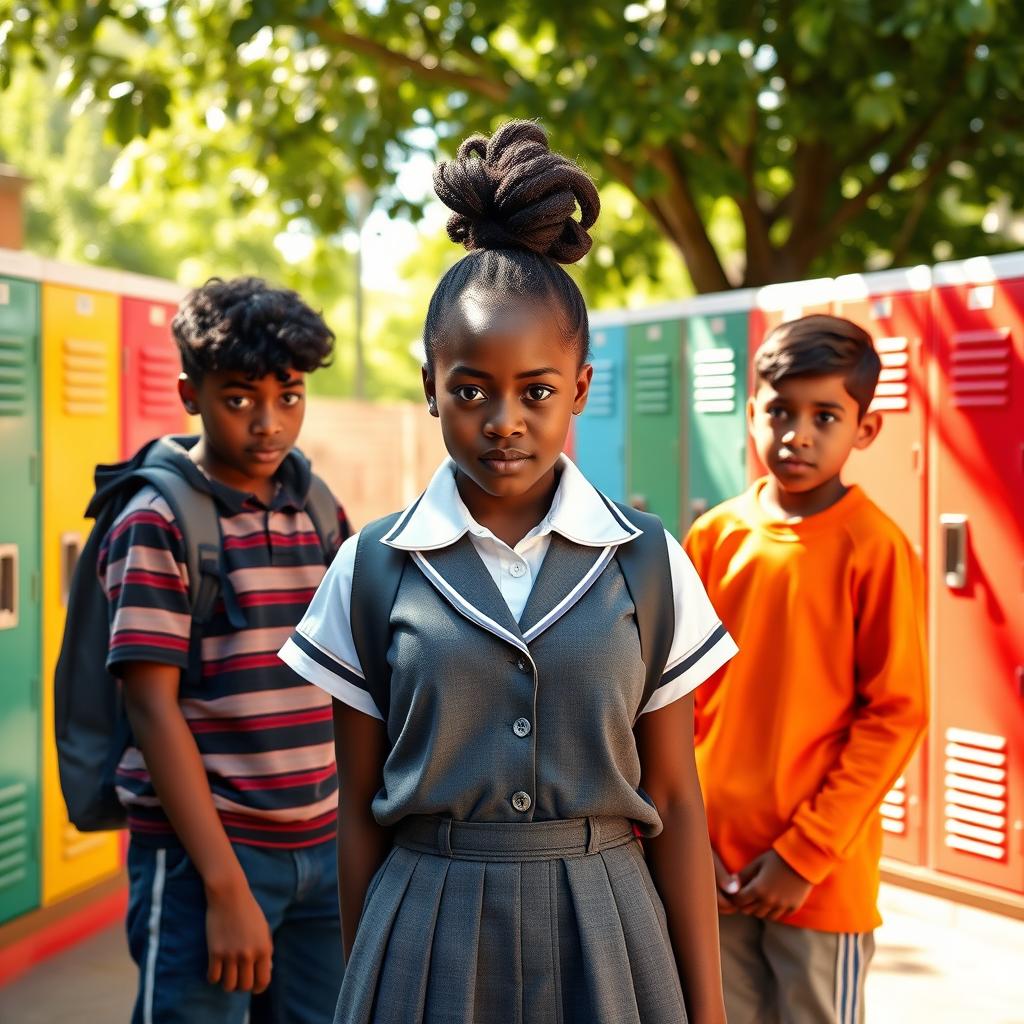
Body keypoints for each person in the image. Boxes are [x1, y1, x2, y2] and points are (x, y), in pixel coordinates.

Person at [279, 121, 737, 1024]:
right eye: (470, 389)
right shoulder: (372, 568)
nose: (503, 420)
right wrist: (366, 986)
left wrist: (708, 1012)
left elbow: (678, 803)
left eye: (536, 390)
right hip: (422, 934)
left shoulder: (646, 561)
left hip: (612, 934)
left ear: (581, 388)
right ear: (429, 387)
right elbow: (359, 816)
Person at [98, 277, 351, 1024]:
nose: (269, 423)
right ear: (190, 392)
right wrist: (224, 887)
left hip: (322, 850)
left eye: (291, 395)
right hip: (203, 859)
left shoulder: (319, 510)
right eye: (240, 398)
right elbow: (150, 706)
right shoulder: (158, 520)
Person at [684, 315, 929, 1024]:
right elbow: (671, 701)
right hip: (710, 869)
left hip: (817, 883)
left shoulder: (874, 548)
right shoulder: (715, 537)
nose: (797, 434)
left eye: (826, 415)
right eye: (780, 411)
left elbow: (896, 715)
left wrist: (802, 856)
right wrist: (683, 839)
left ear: (865, 429)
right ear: (751, 412)